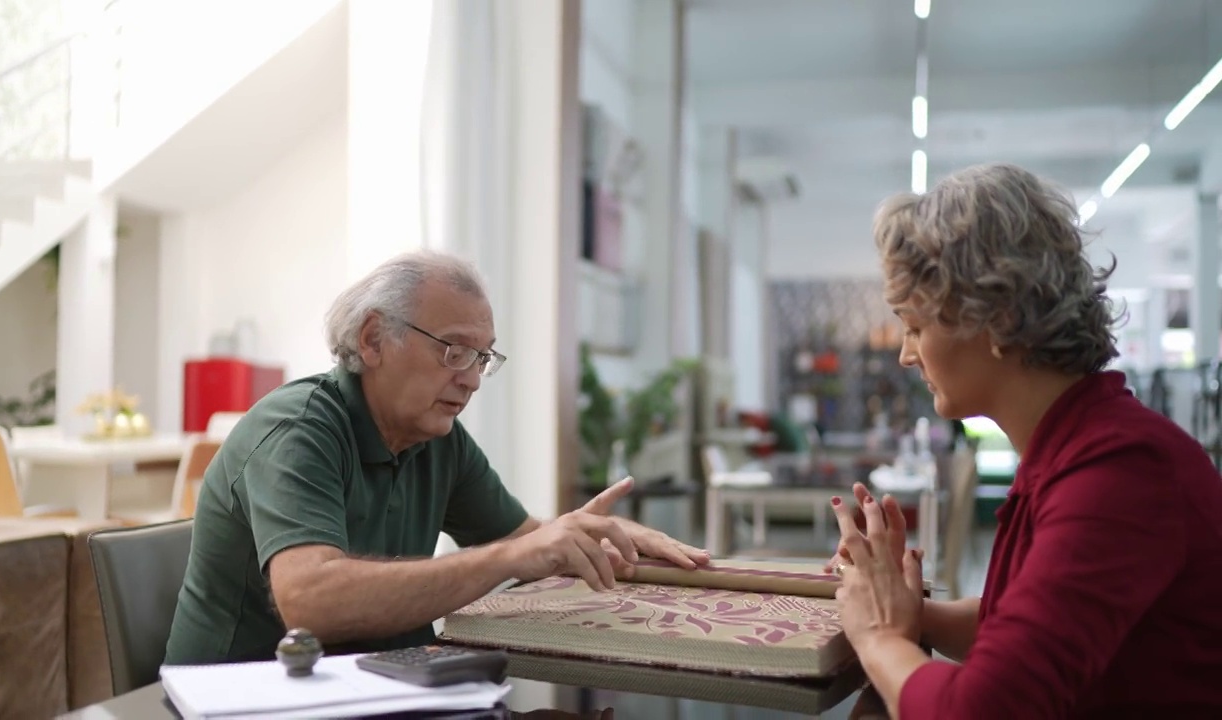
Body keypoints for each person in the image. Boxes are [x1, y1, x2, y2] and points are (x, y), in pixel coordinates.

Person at [164, 250, 709, 665]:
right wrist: (512, 558)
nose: (471, 379)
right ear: (374, 339)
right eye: (454, 351)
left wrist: (593, 537)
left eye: (482, 357)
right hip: (242, 699)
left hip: (371, 690)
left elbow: (525, 542)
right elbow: (311, 602)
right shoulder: (298, 430)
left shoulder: (437, 437)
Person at [826, 163, 1222, 718]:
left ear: (999, 316)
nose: (906, 354)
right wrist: (902, 609)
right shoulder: (1077, 449)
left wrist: (878, 638)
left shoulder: (1123, 469)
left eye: (915, 327)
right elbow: (1017, 628)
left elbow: (980, 711)